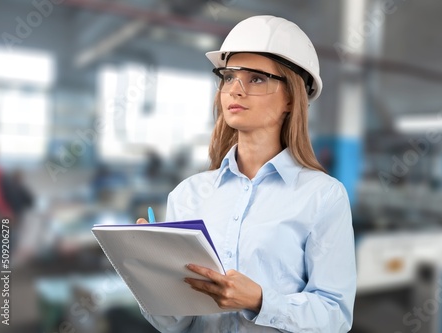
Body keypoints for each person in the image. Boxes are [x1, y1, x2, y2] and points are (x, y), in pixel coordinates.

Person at [136, 15, 356, 332]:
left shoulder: (322, 196)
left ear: (292, 98)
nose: (235, 90)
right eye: (228, 77)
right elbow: (175, 323)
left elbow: (335, 315)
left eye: (256, 79)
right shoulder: (188, 194)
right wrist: (150, 278)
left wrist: (260, 300)